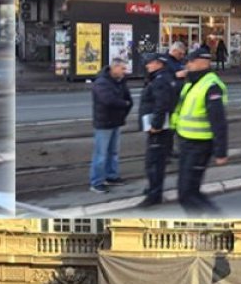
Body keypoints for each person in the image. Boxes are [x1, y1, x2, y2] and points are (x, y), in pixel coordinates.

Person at [169, 47, 229, 213]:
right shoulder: (192, 82)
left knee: (187, 193)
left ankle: (216, 218)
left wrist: (221, 152)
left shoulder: (211, 85)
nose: (187, 64)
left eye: (191, 61)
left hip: (200, 145)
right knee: (187, 191)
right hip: (186, 142)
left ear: (203, 63)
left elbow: (219, 121)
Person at [138, 53, 179, 206]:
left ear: (158, 64)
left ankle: (154, 194)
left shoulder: (160, 80)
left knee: (154, 162)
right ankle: (153, 189)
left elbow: (162, 105)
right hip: (161, 126)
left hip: (158, 128)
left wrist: (156, 125)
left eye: (150, 63)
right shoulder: (163, 77)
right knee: (155, 161)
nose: (147, 65)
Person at [89, 58, 132, 194]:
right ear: (114, 68)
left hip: (115, 121)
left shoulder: (120, 81)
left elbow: (127, 97)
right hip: (104, 122)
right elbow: (108, 100)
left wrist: (126, 105)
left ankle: (111, 176)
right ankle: (96, 182)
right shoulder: (102, 82)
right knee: (101, 154)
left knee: (113, 152)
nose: (125, 71)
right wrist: (124, 104)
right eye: (122, 68)